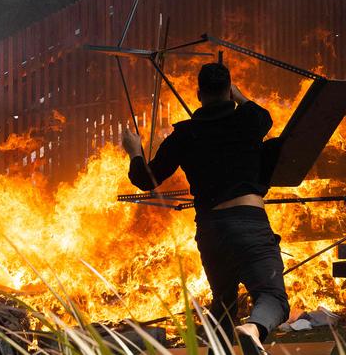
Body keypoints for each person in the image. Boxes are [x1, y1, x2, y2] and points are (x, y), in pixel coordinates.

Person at [122, 63, 289, 354]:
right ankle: (252, 329)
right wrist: (237, 95)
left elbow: (144, 179)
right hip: (248, 221)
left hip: (212, 229)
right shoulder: (249, 120)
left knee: (223, 304)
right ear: (229, 90)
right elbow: (263, 116)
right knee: (272, 295)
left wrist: (134, 149)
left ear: (199, 94)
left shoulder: (186, 135)